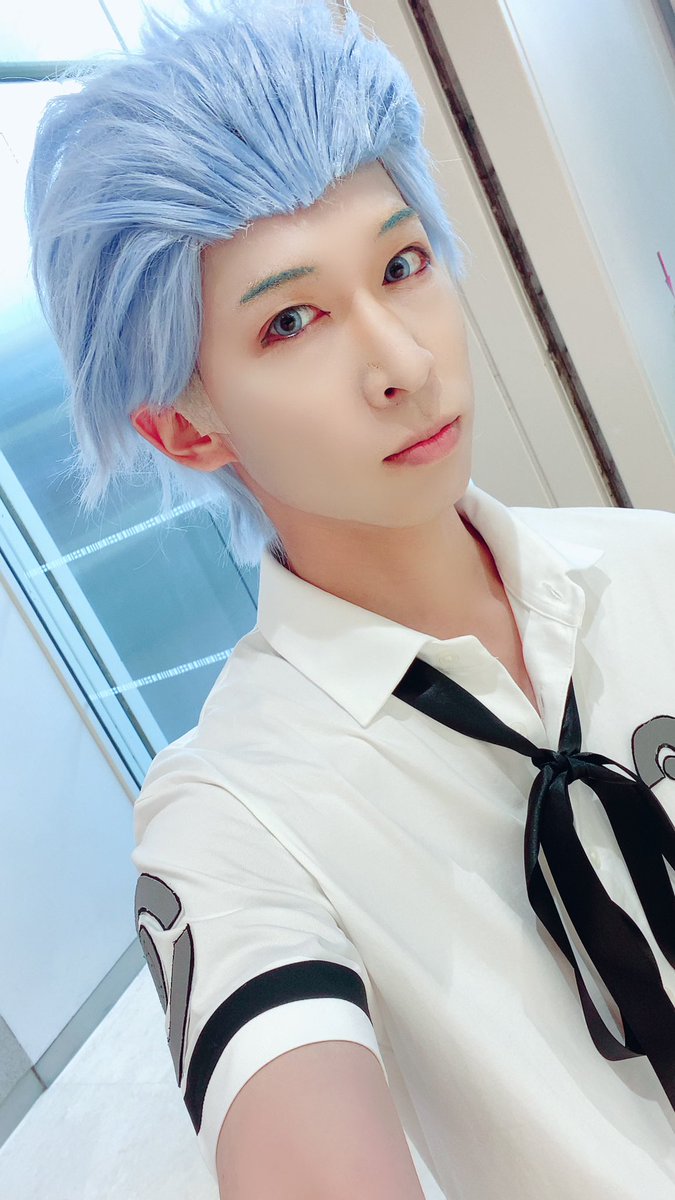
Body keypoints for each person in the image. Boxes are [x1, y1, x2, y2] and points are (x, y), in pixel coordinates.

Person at [25, 0, 675, 1197]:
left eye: (402, 265)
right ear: (185, 429)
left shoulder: (656, 567)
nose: (406, 363)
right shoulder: (234, 815)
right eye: (292, 321)